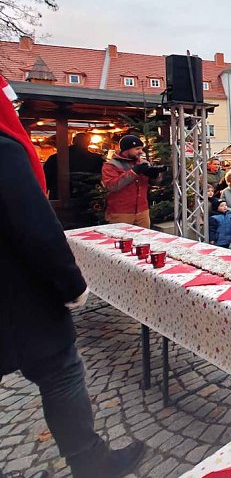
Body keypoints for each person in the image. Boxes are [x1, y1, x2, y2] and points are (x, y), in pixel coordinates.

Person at [0, 75, 145, 478]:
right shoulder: (5, 150)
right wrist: (71, 282)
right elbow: (34, 223)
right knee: (61, 371)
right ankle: (92, 462)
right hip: (19, 296)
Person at [101, 134, 163, 228]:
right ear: (126, 149)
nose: (141, 152)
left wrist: (155, 176)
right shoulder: (111, 165)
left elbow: (155, 183)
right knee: (122, 240)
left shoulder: (143, 163)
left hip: (142, 212)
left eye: (141, 149)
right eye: (137, 149)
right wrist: (134, 172)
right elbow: (112, 186)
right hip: (121, 212)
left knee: (144, 240)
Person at [44, 132, 104, 200]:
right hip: (88, 199)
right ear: (89, 142)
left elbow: (46, 178)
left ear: (73, 141)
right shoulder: (97, 159)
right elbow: (100, 179)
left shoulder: (55, 157)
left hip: (59, 197)